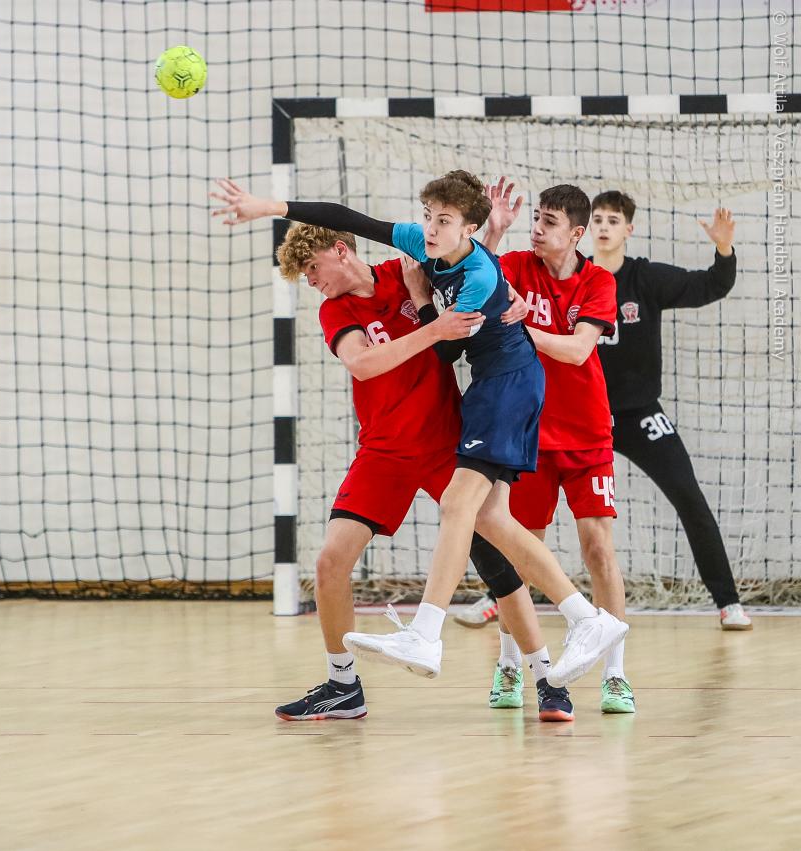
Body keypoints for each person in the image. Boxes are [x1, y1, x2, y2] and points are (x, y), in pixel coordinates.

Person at [212, 174, 626, 691]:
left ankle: (455, 640)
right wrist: (269, 206)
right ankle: (580, 619)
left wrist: (424, 301)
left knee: (469, 517)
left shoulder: (440, 274)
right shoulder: (412, 254)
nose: (429, 229)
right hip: (425, 425)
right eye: (428, 217)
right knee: (489, 518)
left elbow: (449, 343)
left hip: (501, 390)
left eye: (442, 220)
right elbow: (352, 220)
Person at [262, 220, 573, 722]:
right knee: (330, 562)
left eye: (313, 268)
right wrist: (433, 330)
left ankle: (547, 678)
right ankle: (343, 685)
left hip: (446, 443)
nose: (312, 281)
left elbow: (471, 270)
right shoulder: (335, 310)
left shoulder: (405, 272)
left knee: (498, 565)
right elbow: (363, 364)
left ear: (340, 250)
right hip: (383, 451)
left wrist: (508, 290)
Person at [477, 179, 635, 714]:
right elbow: (474, 276)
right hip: (528, 434)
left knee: (598, 549)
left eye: (549, 222)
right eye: (535, 219)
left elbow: (577, 350)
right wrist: (493, 231)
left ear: (576, 233)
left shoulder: (598, 282)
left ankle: (615, 674)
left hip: (587, 436)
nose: (538, 229)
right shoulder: (517, 265)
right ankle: (509, 665)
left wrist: (524, 329)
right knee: (520, 554)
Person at [591, 192, 750, 630]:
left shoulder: (645, 278)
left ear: (628, 229)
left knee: (689, 497)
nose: (604, 226)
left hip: (640, 414)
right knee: (529, 499)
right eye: (597, 219)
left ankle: (728, 603)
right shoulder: (574, 277)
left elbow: (712, 285)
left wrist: (723, 248)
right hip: (585, 418)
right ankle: (497, 597)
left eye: (613, 220)